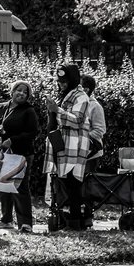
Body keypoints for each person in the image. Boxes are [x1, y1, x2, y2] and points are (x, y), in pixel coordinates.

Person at [0, 81, 39, 233]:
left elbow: (33, 132)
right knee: (2, 185)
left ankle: (25, 223)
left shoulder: (28, 111)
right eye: (18, 90)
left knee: (20, 186)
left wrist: (12, 140)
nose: (21, 93)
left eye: (25, 92)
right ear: (12, 91)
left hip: (21, 153)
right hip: (0, 154)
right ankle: (6, 219)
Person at [46, 63, 92, 230]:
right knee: (65, 179)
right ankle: (71, 218)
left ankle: (76, 221)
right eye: (59, 81)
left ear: (72, 79)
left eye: (64, 81)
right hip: (64, 143)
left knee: (74, 182)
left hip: (75, 144)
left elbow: (77, 120)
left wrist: (56, 109)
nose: (61, 84)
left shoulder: (81, 96)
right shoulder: (65, 94)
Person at [80, 74, 107, 228]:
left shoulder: (94, 106)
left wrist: (81, 137)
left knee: (88, 184)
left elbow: (99, 130)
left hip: (91, 153)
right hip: (76, 151)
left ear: (87, 89)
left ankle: (88, 215)